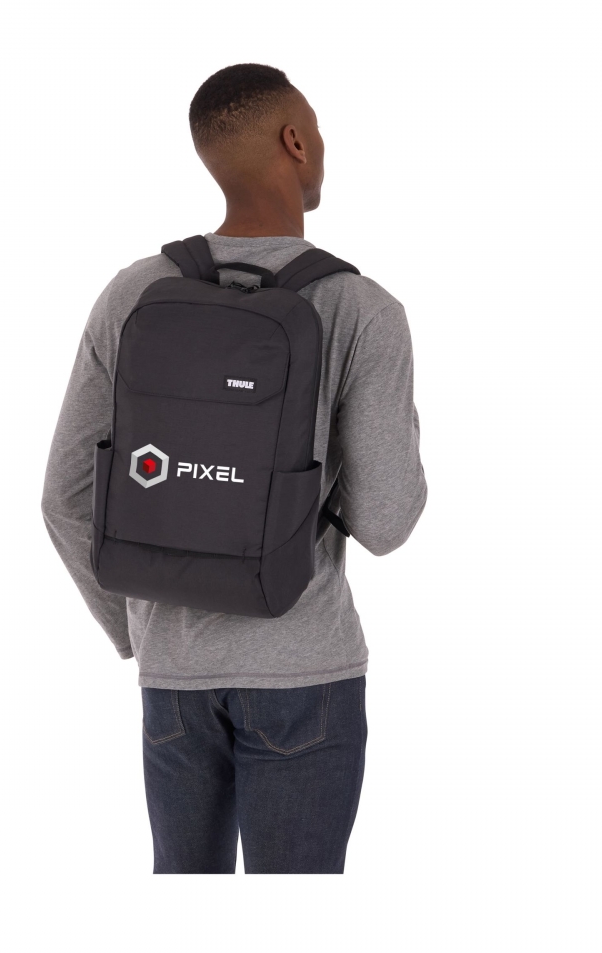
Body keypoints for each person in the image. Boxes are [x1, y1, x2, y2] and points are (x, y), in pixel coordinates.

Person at [42, 63, 427, 873]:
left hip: (172, 682)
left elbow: (64, 499)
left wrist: (139, 634)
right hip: (306, 676)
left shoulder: (133, 293)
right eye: (316, 129)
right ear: (295, 141)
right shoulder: (361, 309)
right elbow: (388, 522)